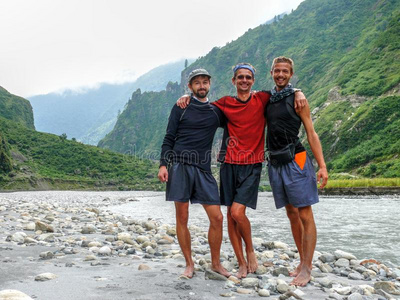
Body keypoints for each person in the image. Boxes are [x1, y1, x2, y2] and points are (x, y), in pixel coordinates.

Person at [177, 63, 307, 278]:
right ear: (234, 81)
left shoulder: (262, 98)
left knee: (238, 212)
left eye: (248, 77)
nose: (244, 80)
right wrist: (185, 96)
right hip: (228, 164)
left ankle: (250, 250)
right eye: (240, 77)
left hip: (252, 164)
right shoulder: (225, 103)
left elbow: (282, 90)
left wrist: (298, 90)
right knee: (230, 215)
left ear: (253, 80)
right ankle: (241, 263)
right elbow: (202, 103)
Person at [158, 69, 230, 279]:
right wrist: (164, 165)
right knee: (182, 217)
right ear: (190, 86)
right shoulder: (181, 107)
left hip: (203, 169)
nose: (201, 86)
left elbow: (237, 121)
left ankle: (216, 263)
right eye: (197, 83)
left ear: (209, 85)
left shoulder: (216, 111)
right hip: (179, 166)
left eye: (205, 82)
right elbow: (169, 137)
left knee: (217, 217)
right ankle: (189, 264)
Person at [266, 56, 328, 286]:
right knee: (291, 213)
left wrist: (322, 166)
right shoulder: (268, 99)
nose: (280, 75)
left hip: (297, 159)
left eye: (285, 71)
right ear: (271, 72)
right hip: (275, 162)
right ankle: (302, 261)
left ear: (291, 74)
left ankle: (307, 268)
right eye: (277, 71)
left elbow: (311, 133)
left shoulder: (298, 99)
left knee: (304, 213)